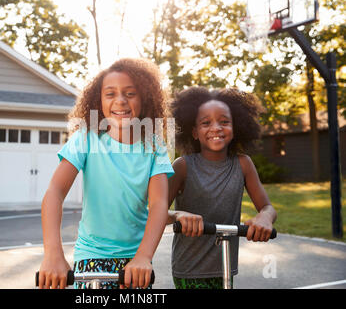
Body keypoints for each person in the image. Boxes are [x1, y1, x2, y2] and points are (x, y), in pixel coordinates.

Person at [38, 58, 174, 289]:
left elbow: (159, 204)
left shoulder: (154, 146)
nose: (120, 100)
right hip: (92, 256)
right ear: (98, 100)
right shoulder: (86, 138)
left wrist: (143, 256)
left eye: (130, 93)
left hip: (136, 260)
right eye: (110, 94)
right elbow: (55, 192)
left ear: (145, 98)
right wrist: (53, 254)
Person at [167, 86, 277, 289]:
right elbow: (156, 213)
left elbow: (267, 207)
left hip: (225, 267)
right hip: (190, 269)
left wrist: (264, 217)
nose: (216, 127)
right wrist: (178, 215)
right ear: (194, 132)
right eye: (206, 123)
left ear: (236, 128)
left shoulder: (243, 164)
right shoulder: (183, 166)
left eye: (224, 122)